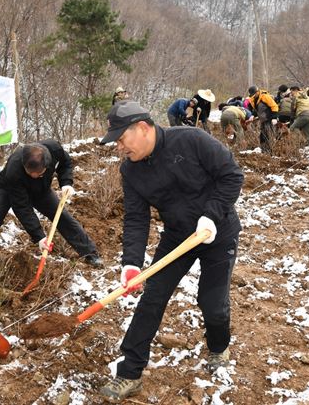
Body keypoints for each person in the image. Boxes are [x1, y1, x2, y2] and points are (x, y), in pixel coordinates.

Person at [98, 101, 243, 402]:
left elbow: (231, 175)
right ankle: (130, 372)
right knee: (152, 297)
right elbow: (136, 218)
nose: (120, 148)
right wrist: (131, 264)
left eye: (122, 139)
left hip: (218, 229)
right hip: (178, 236)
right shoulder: (131, 170)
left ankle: (218, 346)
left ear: (142, 128)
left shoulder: (191, 140)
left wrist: (212, 215)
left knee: (212, 302)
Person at [0, 140, 102, 267]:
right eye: (30, 173)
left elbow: (65, 164)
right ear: (24, 164)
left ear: (46, 165)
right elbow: (22, 208)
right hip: (9, 189)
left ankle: (90, 253)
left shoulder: (54, 149)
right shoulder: (14, 169)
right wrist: (39, 237)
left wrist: (66, 182)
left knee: (61, 216)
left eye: (38, 173)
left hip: (41, 190)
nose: (34, 176)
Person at [247, 85, 279, 153]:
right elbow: (256, 109)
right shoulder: (253, 99)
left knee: (267, 135)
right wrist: (253, 115)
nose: (253, 96)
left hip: (269, 118)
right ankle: (264, 150)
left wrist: (274, 118)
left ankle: (269, 152)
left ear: (257, 92)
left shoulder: (265, 96)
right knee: (262, 137)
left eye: (254, 94)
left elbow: (274, 106)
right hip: (263, 120)